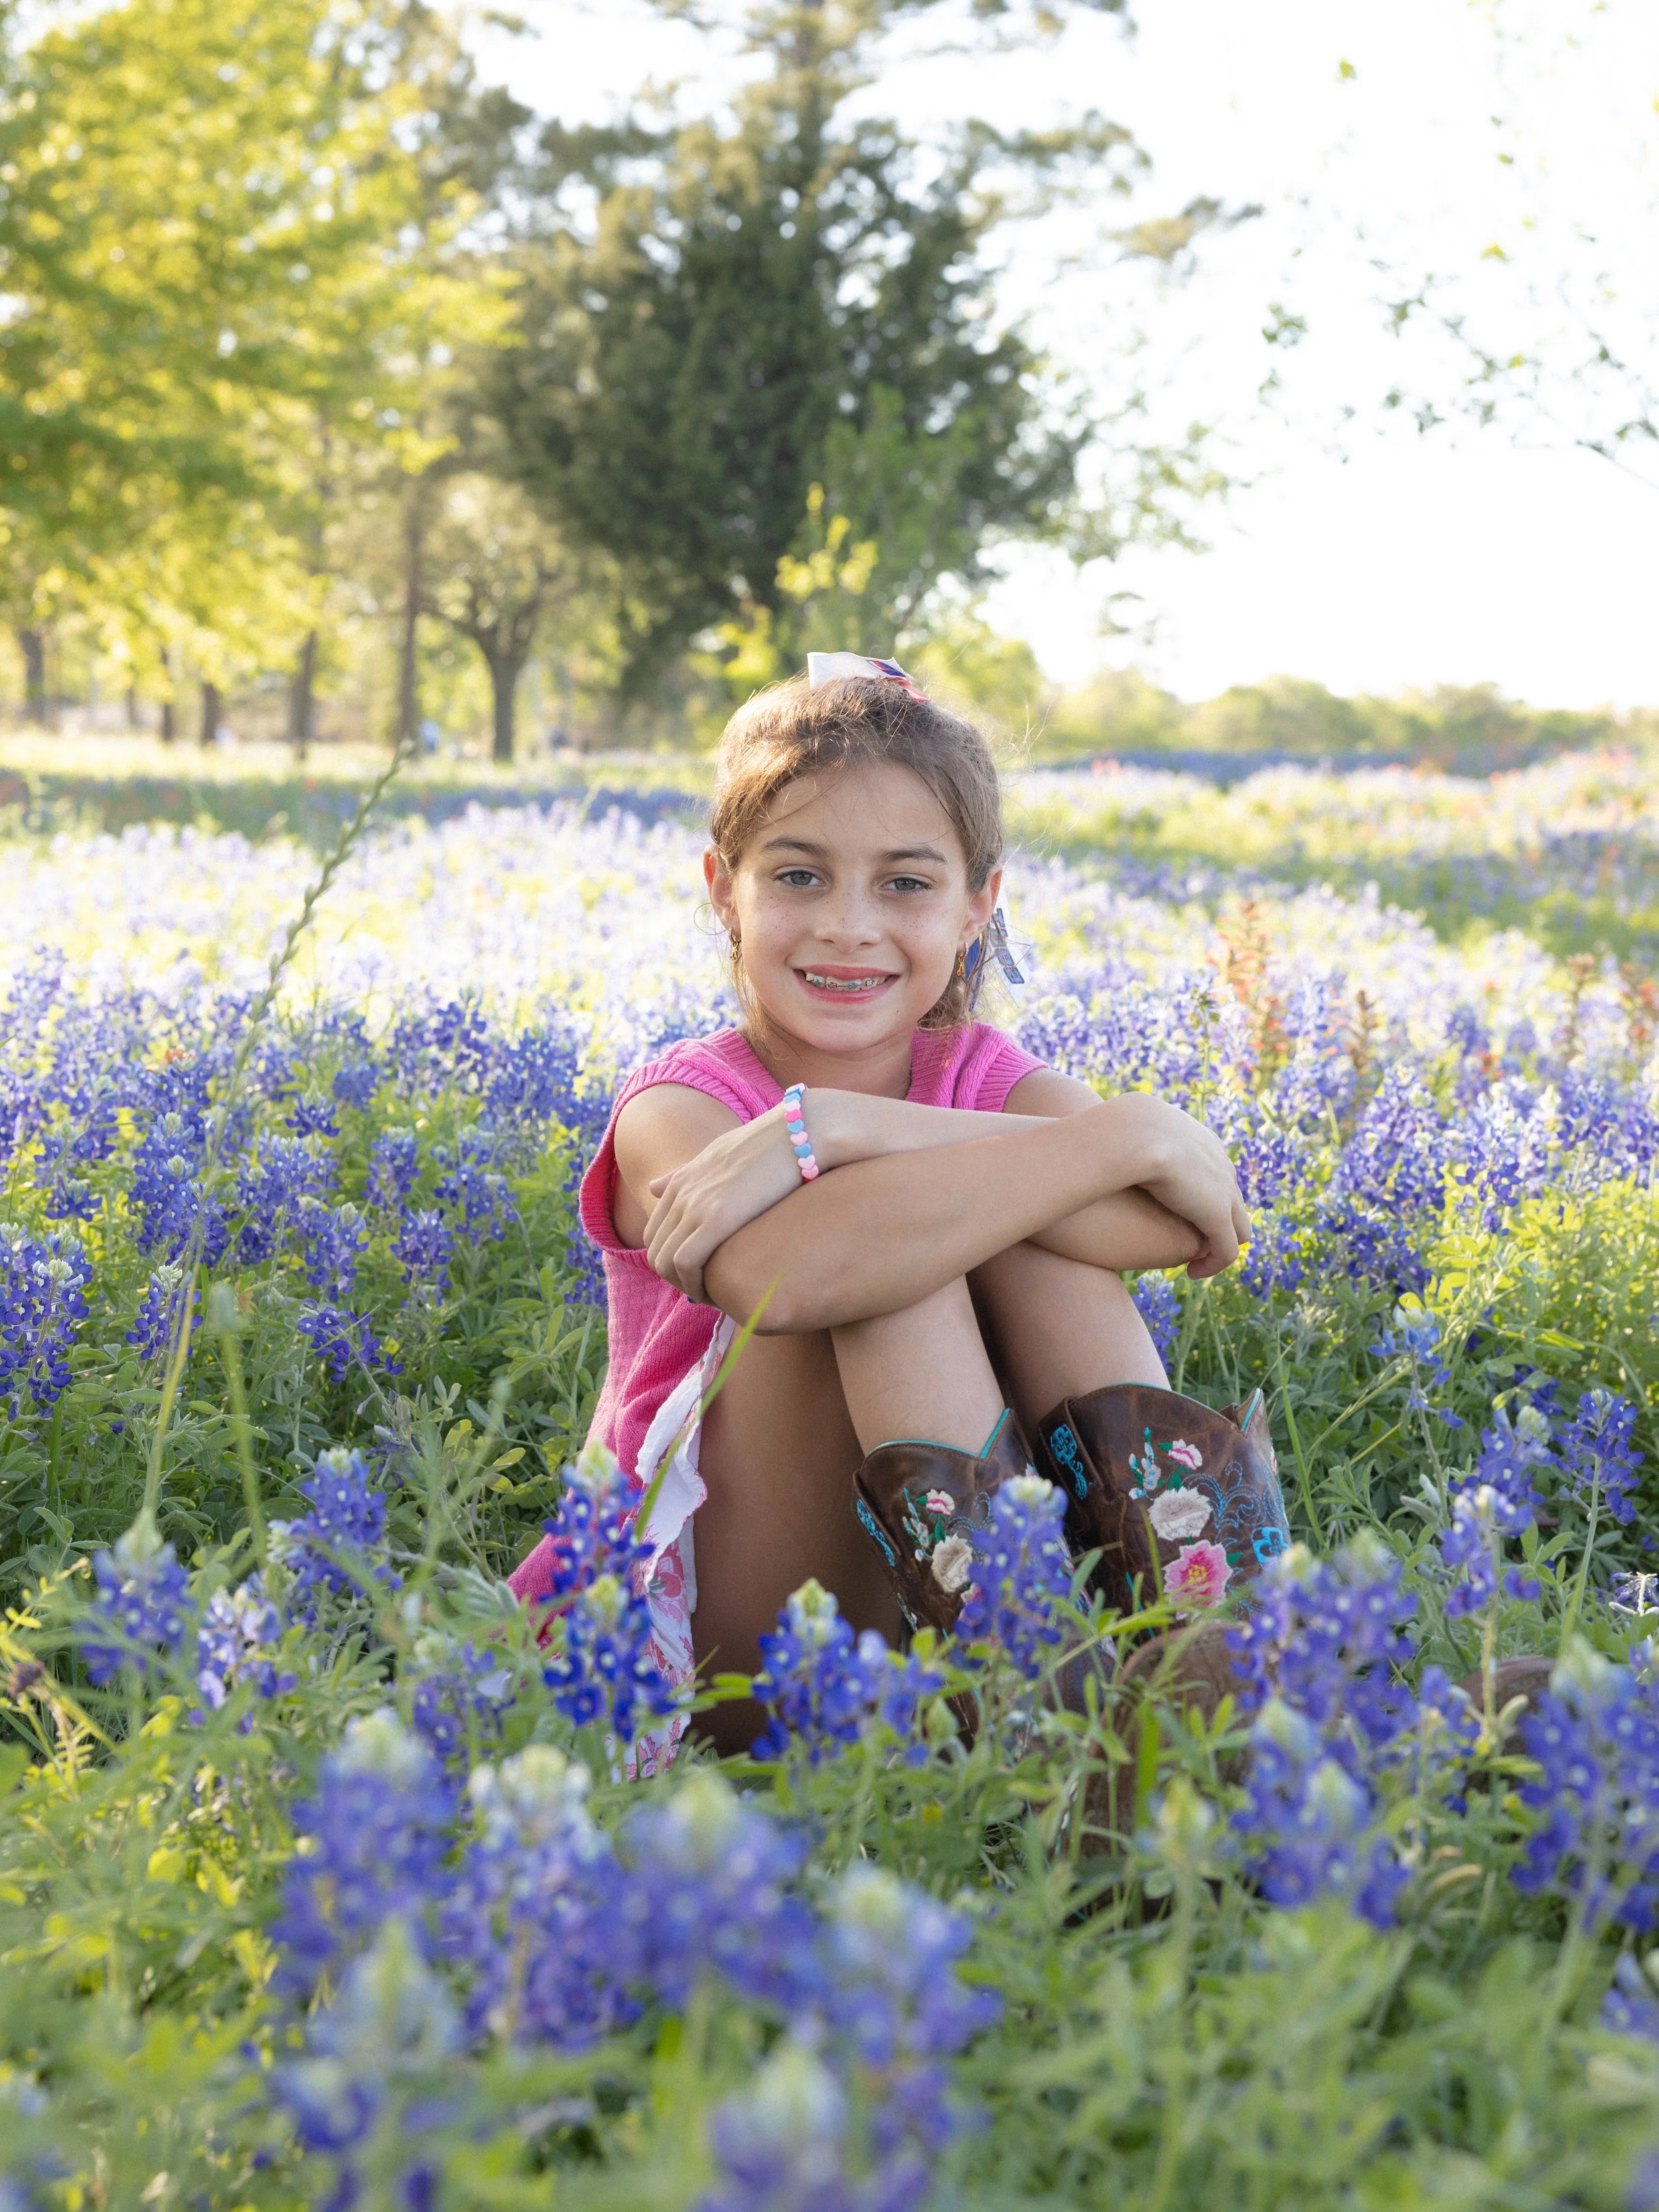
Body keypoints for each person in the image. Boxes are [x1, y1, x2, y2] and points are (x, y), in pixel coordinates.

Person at [509, 654, 1288, 1765]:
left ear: (982, 903)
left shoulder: (980, 1073)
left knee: (1026, 1235)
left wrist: (843, 1126)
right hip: (723, 1648)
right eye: (798, 876)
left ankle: (1201, 1674)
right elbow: (802, 1278)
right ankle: (1049, 1735)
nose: (849, 926)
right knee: (897, 1258)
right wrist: (1122, 1133)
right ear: (721, 888)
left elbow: (1173, 1223)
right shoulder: (684, 1107)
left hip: (921, 1649)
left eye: (906, 884)